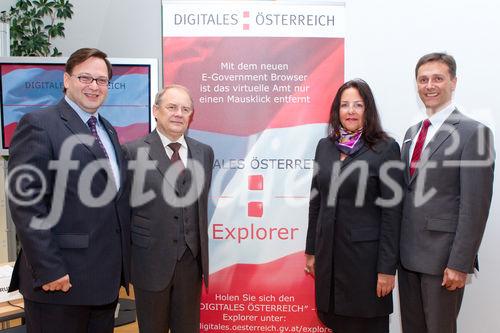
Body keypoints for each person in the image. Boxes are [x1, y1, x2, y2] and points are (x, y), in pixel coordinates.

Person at [7, 48, 130, 332]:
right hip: (60, 283)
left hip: (103, 284)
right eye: (85, 77)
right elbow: (26, 204)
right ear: (66, 79)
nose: (94, 86)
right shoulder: (39, 124)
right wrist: (49, 268)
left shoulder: (108, 130)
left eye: (101, 80)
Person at [399, 52, 495, 333]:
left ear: (453, 82)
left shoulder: (474, 132)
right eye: (423, 79)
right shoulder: (411, 132)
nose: (430, 85)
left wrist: (460, 264)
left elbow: (475, 206)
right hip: (407, 258)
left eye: (438, 78)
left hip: (443, 262)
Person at [305, 79, 402, 333]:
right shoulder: (324, 147)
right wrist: (312, 250)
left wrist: (386, 269)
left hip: (366, 265)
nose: (350, 111)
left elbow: (393, 214)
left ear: (367, 110)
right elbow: (316, 200)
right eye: (345, 105)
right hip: (329, 259)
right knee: (334, 322)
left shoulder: (385, 148)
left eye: (358, 105)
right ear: (337, 110)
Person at [123, 84, 214, 333]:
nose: (178, 113)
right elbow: (122, 212)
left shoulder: (204, 153)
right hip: (149, 262)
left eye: (185, 109)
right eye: (171, 107)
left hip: (190, 264)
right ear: (156, 110)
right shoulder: (132, 152)